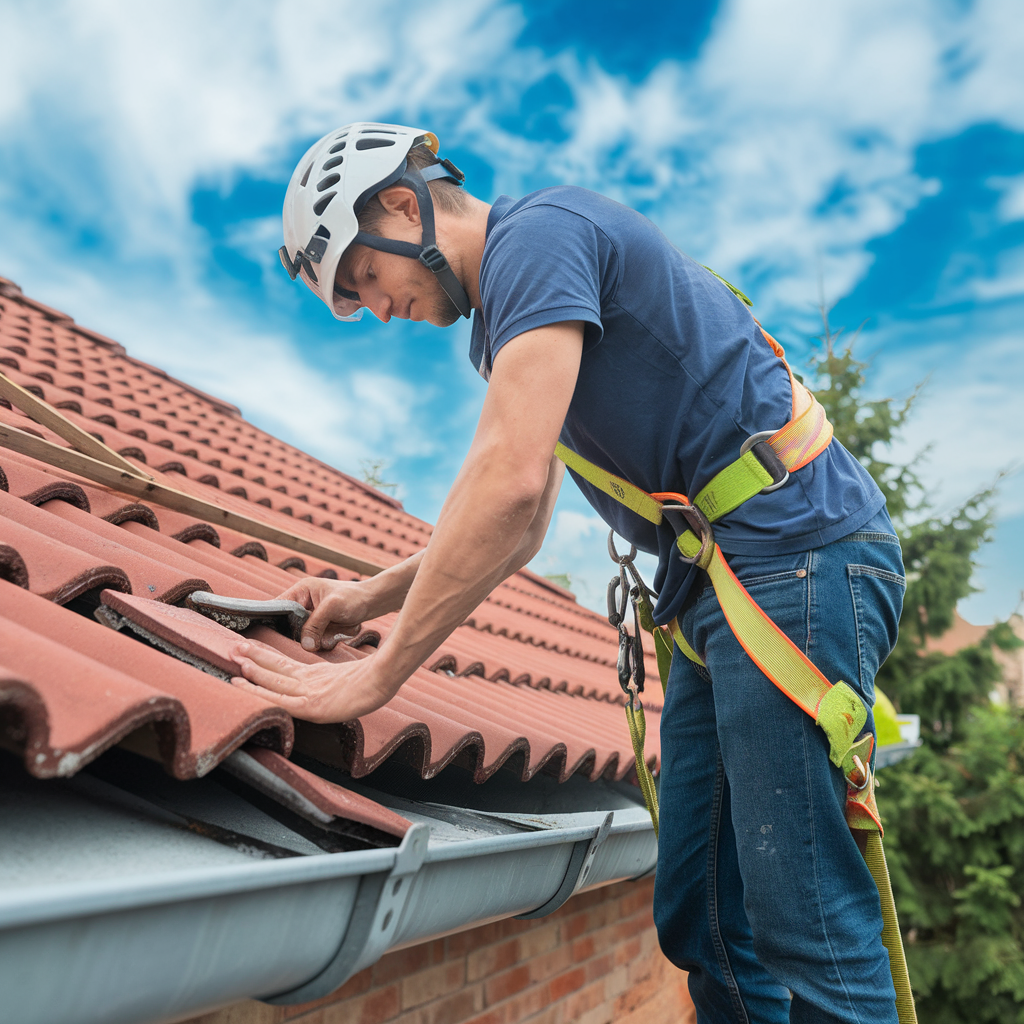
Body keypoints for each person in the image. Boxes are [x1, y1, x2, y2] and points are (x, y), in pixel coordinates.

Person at [234, 121, 905, 1023]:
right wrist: (366, 596)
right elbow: (520, 522)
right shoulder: (515, 309)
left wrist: (375, 674)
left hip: (799, 554)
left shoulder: (537, 241)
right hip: (726, 586)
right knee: (701, 916)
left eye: (364, 277)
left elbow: (505, 486)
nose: (375, 308)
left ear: (402, 205)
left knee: (806, 919)